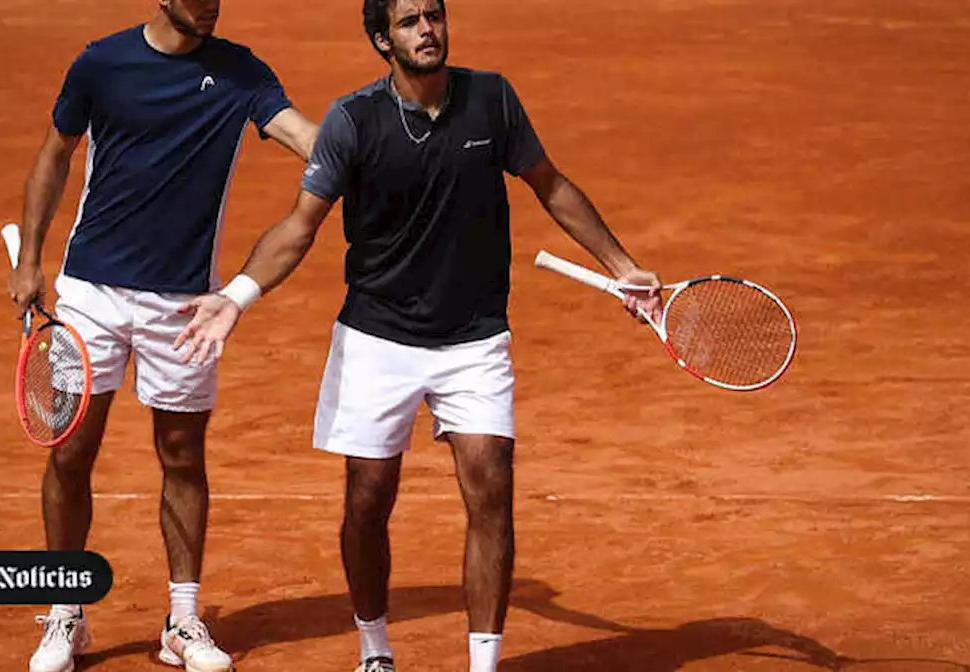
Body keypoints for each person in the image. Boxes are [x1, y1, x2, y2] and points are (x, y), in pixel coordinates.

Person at [170, 1, 661, 670]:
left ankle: (483, 664)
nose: (427, 29)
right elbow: (298, 226)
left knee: (491, 485)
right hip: (377, 337)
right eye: (409, 21)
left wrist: (624, 266)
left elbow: (552, 186)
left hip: (474, 338)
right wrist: (237, 296)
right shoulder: (354, 120)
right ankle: (375, 649)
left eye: (434, 14)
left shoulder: (492, 100)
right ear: (382, 39)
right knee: (368, 500)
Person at [6, 1, 318, 671]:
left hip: (184, 305)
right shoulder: (102, 63)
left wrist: (378, 155)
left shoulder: (239, 73)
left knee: (182, 456)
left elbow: (306, 141)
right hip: (90, 292)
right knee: (70, 453)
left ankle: (182, 620)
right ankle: (66, 613)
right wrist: (32, 259)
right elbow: (55, 155)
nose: (210, 6)